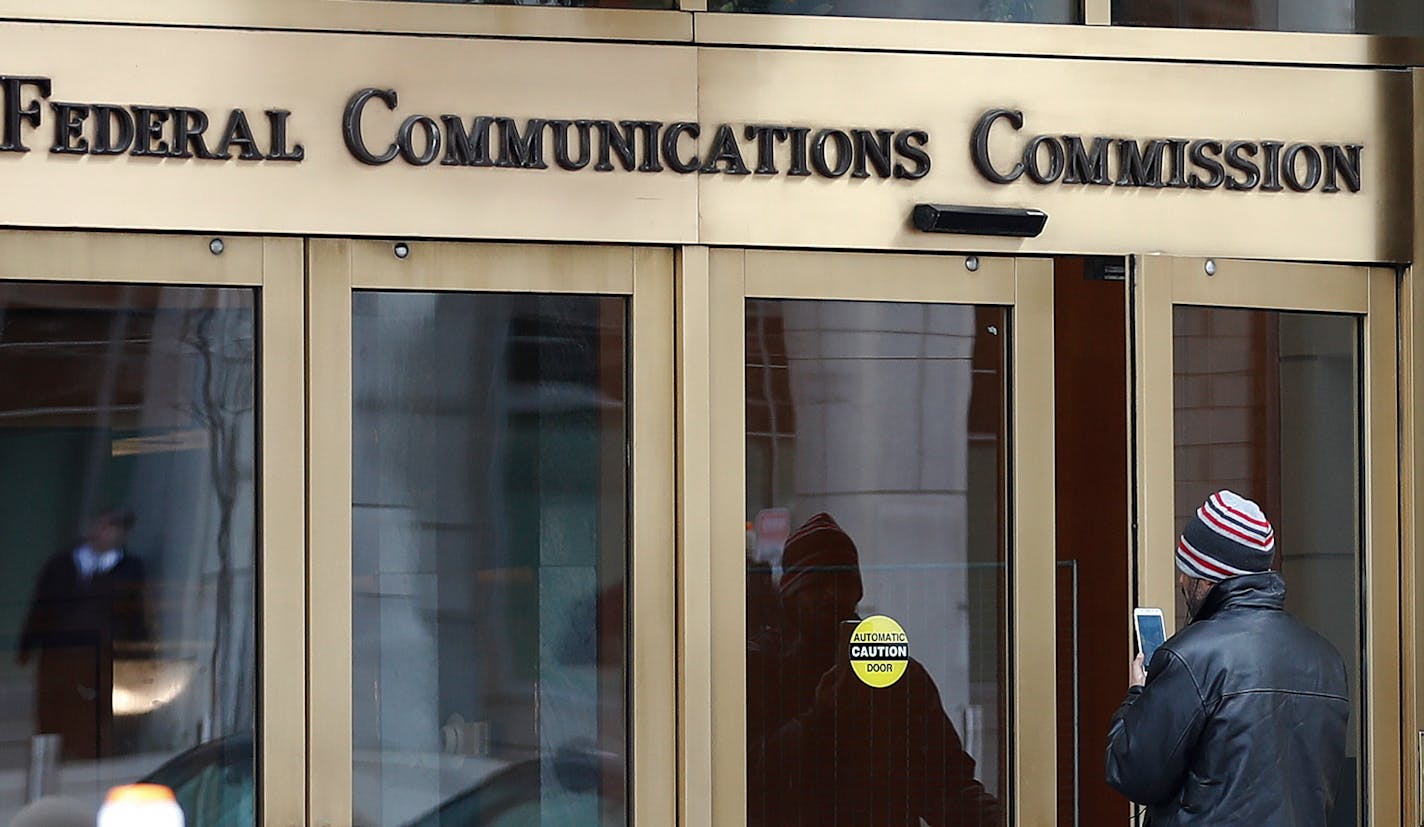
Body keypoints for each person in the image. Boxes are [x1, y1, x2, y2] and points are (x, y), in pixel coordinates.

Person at [1105, 490, 1349, 826]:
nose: (1181, 579)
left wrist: (1137, 696)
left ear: (1208, 577)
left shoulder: (1192, 656)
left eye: (1187, 569)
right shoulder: (1326, 660)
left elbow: (1134, 772)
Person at [747, 512, 1000, 827]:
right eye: (816, 583)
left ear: (857, 593)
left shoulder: (893, 672)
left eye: (841, 582)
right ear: (792, 594)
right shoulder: (763, 670)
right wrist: (818, 720)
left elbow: (946, 786)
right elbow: (744, 783)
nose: (830, 595)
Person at [17, 509, 152, 761]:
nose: (102, 532)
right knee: (54, 706)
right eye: (99, 525)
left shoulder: (129, 568)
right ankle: (50, 754)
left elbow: (135, 612)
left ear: (122, 534)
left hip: (100, 652)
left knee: (91, 707)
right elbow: (41, 604)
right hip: (59, 649)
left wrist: (140, 656)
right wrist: (27, 645)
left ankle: (84, 754)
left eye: (111, 527)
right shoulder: (63, 563)